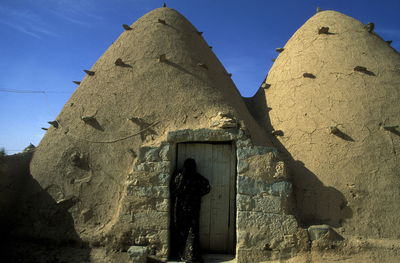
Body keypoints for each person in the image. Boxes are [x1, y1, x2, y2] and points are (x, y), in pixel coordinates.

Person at [171, 158, 210, 263]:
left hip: (180, 209)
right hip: (193, 208)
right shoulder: (197, 177)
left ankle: (182, 254)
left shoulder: (179, 177)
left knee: (181, 230)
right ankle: (192, 256)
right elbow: (207, 187)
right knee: (192, 232)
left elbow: (173, 189)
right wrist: (197, 194)